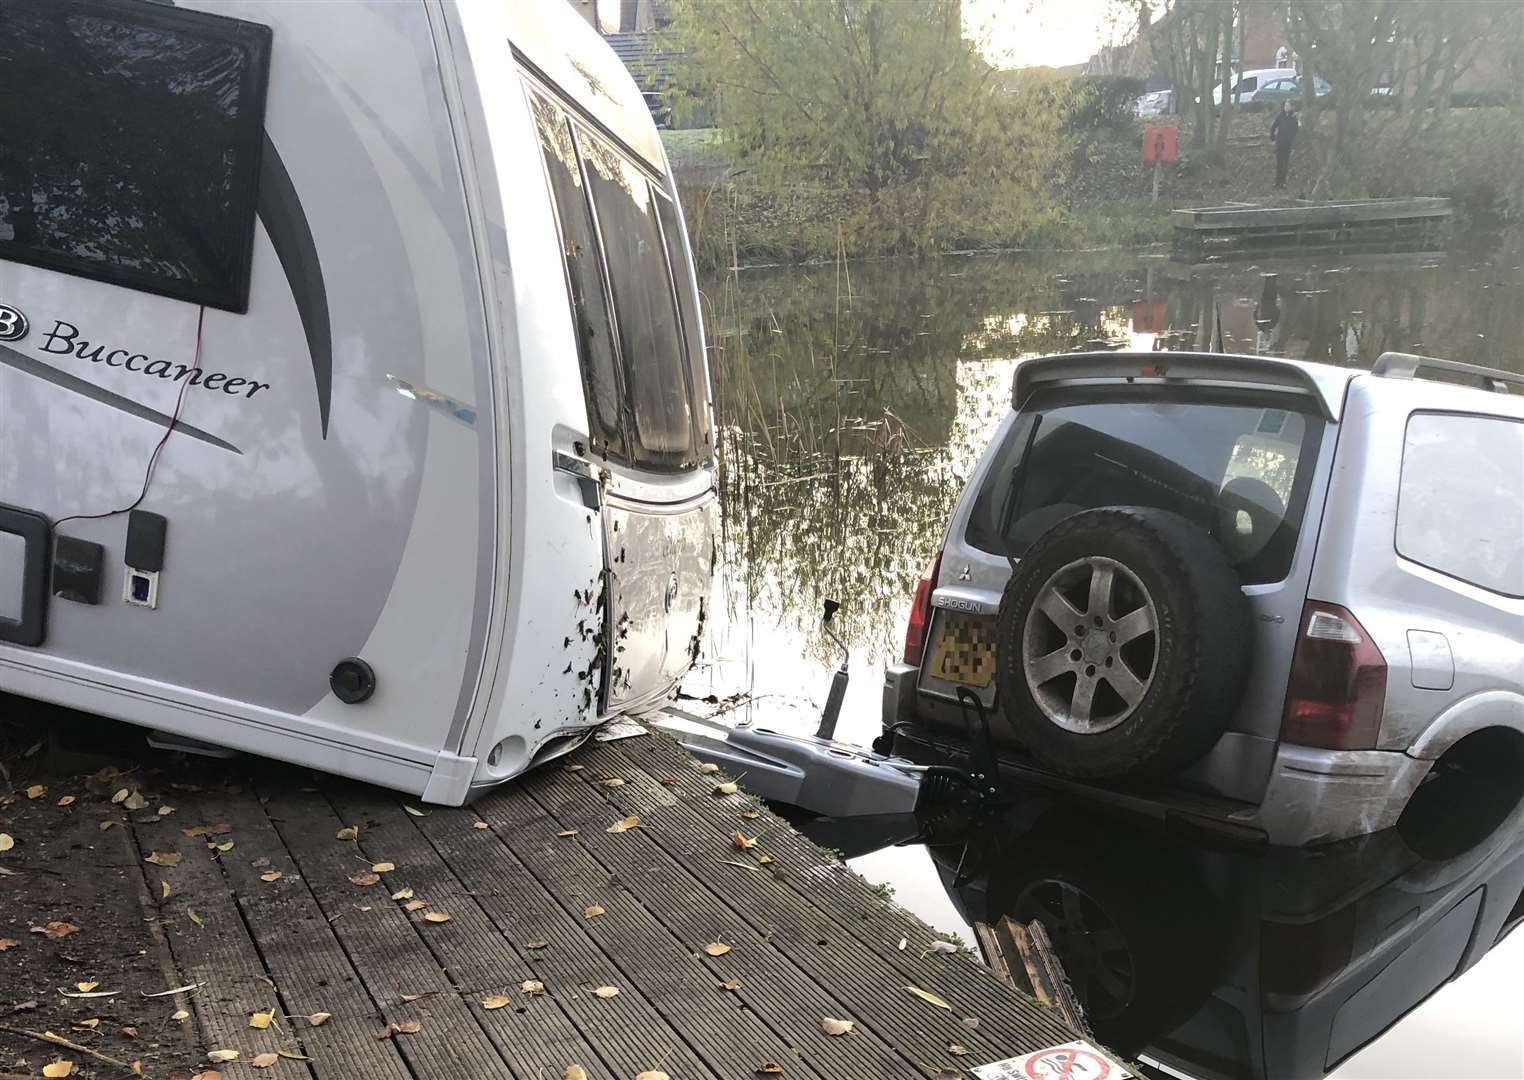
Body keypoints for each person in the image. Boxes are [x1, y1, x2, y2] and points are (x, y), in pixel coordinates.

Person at [1270, 101, 1299, 189]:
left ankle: (1283, 183)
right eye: (1285, 106)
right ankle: (1277, 183)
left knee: (1285, 164)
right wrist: (1272, 136)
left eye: (1288, 106)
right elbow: (1273, 126)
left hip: (1288, 144)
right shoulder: (1280, 116)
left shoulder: (1293, 118)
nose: (1286, 107)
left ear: (1291, 107)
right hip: (1279, 143)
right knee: (1279, 164)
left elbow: (1295, 131)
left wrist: (1293, 143)